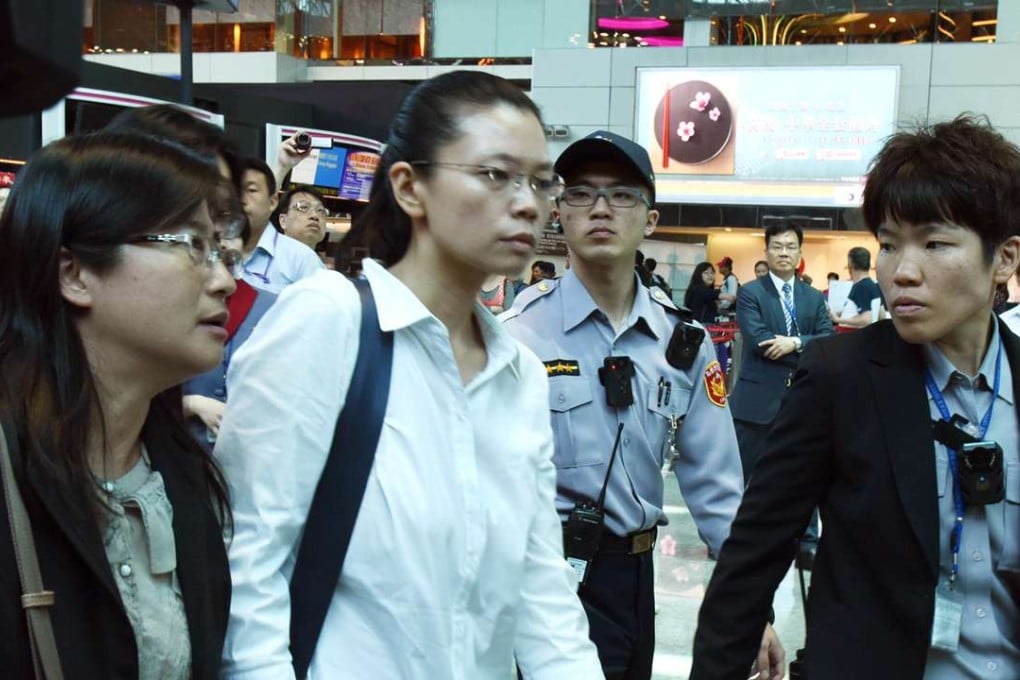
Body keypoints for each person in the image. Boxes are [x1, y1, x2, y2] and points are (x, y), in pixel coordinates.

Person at [216, 70, 602, 679]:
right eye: (496, 175)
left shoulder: (519, 371)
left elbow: (541, 589)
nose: (529, 202)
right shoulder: (329, 321)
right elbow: (250, 563)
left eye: (541, 180)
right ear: (410, 187)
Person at [693, 114, 1020, 679]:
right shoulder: (839, 379)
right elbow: (754, 555)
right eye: (889, 245)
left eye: (935, 243)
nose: (903, 272)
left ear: (1005, 259)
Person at [502, 130, 782, 680]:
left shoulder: (685, 345)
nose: (600, 209)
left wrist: (752, 606)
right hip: (541, 580)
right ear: (559, 213)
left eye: (622, 195)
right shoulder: (516, 338)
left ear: (650, 220)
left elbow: (717, 483)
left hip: (634, 576)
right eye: (581, 194)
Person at [0, 132, 236, 678]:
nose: (223, 280)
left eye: (222, 250)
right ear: (75, 273)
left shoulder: (182, 476)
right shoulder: (13, 469)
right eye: (191, 245)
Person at [728, 220, 834, 564]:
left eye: (790, 246)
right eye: (777, 246)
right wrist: (802, 345)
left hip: (803, 398)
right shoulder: (751, 292)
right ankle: (731, 537)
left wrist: (795, 342)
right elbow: (759, 339)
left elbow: (826, 338)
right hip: (757, 401)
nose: (784, 252)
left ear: (800, 253)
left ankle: (806, 543)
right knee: (743, 474)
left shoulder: (813, 296)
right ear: (767, 250)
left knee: (806, 471)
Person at [183, 218, 277, 449]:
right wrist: (191, 404)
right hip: (181, 444)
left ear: (246, 247)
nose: (221, 244)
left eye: (228, 235)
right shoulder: (176, 303)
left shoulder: (273, 307)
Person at [237, 156, 322, 293]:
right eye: (234, 190)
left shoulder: (303, 259)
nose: (241, 199)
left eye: (251, 190)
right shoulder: (215, 249)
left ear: (272, 202)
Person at [829, 247, 882, 328]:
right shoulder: (874, 285)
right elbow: (881, 314)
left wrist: (838, 319)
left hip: (853, 335)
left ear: (850, 264)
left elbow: (866, 319)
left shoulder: (861, 286)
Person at [276, 186, 329, 251]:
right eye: (303, 207)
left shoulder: (316, 261)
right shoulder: (264, 259)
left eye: (320, 210)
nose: (315, 215)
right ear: (283, 221)